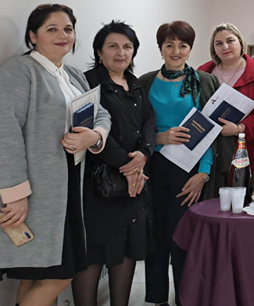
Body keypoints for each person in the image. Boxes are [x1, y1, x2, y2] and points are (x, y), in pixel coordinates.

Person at [0, 4, 110, 306]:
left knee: (38, 271)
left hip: (69, 185)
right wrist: (15, 194)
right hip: (35, 192)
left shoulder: (73, 75)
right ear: (33, 36)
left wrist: (94, 137)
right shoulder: (19, 71)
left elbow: (102, 115)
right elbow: (5, 134)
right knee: (58, 274)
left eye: (68, 29)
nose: (63, 35)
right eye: (52, 29)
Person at [72, 21, 156, 306]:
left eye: (127, 47)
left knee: (127, 249)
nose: (121, 52)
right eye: (113, 46)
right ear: (99, 51)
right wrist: (128, 165)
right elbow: (88, 130)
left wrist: (144, 154)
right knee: (93, 252)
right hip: (100, 185)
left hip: (133, 184)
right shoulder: (87, 83)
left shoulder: (136, 84)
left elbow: (149, 122)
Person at [139, 21, 219, 306]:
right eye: (169, 45)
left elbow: (210, 131)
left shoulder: (204, 82)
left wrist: (204, 173)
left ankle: (186, 298)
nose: (176, 51)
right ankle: (157, 298)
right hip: (153, 167)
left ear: (190, 49)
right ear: (160, 48)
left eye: (182, 45)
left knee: (183, 238)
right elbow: (137, 128)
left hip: (190, 170)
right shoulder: (144, 82)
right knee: (155, 237)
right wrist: (160, 138)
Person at [198, 23, 254, 183]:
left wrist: (239, 129)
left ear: (240, 43)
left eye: (230, 41)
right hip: (208, 148)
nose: (225, 47)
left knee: (240, 192)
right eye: (219, 43)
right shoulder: (202, 72)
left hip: (243, 148)